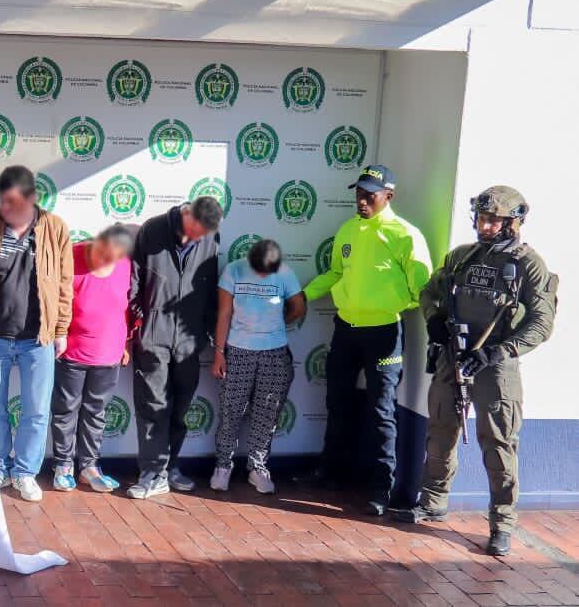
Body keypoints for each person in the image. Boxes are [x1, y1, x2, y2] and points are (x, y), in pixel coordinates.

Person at [401, 186, 556, 556]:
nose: (485, 226)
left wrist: (497, 352)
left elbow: (542, 323)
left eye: (494, 221)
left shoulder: (528, 265)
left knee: (498, 443)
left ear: (513, 223)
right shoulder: (462, 257)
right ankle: (433, 501)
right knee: (441, 430)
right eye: (482, 218)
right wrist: (434, 318)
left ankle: (502, 523)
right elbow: (430, 292)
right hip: (453, 358)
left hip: (496, 367)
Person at [300, 165, 431, 516]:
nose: (361, 200)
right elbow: (335, 273)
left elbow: (422, 289)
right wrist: (303, 296)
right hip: (345, 328)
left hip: (384, 332)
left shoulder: (405, 235)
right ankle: (331, 472)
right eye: (359, 192)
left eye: (370, 194)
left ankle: (381, 488)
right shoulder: (348, 230)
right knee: (337, 400)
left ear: (388, 196)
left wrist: (387, 303)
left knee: (381, 409)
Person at [0, 165, 73, 503]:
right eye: (3, 201)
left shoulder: (54, 228)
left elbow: (64, 283)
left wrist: (61, 328)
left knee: (36, 410)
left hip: (38, 338)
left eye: (14, 202)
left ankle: (24, 472)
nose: (7, 208)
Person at [127, 195, 222, 500]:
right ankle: (151, 473)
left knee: (180, 408)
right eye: (196, 232)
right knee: (153, 407)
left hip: (189, 341)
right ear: (187, 215)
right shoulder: (153, 230)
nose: (198, 239)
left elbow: (209, 288)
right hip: (153, 337)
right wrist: (141, 323)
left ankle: (169, 468)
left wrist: (207, 334)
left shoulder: (210, 239)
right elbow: (134, 281)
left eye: (204, 235)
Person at [209, 238, 305, 494]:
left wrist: (278, 325)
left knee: (266, 414)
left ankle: (257, 467)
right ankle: (223, 466)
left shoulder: (284, 272)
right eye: (259, 270)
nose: (263, 274)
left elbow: (298, 306)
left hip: (275, 353)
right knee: (231, 411)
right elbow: (224, 313)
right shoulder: (234, 270)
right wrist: (219, 353)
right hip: (238, 351)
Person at [51, 224, 133, 494]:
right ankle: (63, 465)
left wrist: (126, 342)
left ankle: (89, 467)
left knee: (96, 412)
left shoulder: (127, 265)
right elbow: (56, 302)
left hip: (109, 353)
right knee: (66, 410)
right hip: (72, 352)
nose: (105, 260)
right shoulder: (72, 256)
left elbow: (128, 306)